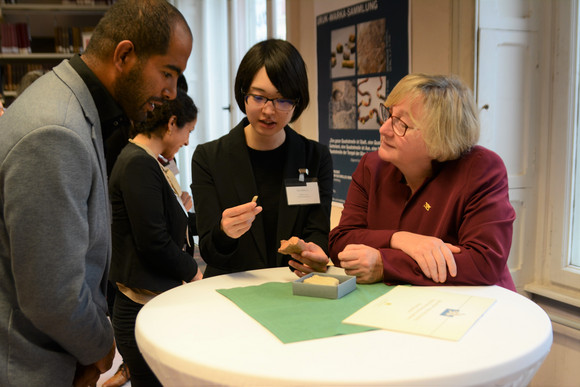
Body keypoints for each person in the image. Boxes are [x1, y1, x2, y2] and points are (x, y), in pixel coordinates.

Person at [0, 0, 193, 386]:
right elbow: (53, 295)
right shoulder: (56, 131)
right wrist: (101, 347)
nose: (171, 92)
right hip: (34, 366)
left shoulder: (73, 107)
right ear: (124, 55)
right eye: (167, 73)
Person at [329, 73, 516, 291]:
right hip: (400, 304)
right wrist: (400, 239)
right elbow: (340, 242)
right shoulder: (372, 166)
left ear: (440, 137)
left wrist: (384, 263)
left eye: (400, 124)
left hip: (478, 306)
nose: (383, 129)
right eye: (388, 115)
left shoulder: (482, 169)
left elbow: (482, 262)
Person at [191, 39, 333, 278]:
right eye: (259, 97)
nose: (269, 111)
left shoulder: (315, 157)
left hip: (293, 289)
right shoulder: (209, 158)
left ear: (297, 103)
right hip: (229, 291)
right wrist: (224, 232)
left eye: (283, 100)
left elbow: (317, 231)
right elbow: (208, 249)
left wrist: (315, 252)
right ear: (243, 93)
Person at [109, 88, 202, 386]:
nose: (187, 141)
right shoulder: (138, 163)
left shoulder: (149, 160)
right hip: (139, 307)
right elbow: (153, 241)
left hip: (151, 302)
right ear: (172, 123)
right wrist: (193, 271)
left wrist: (215, 223)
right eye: (188, 131)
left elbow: (169, 222)